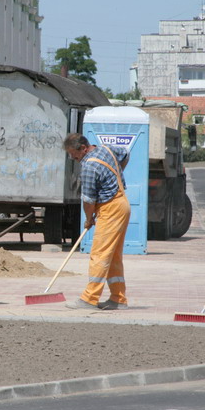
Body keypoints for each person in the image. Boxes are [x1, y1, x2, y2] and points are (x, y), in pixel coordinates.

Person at [63, 133, 130, 310]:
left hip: (110, 209)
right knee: (113, 255)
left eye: (73, 154)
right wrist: (116, 176)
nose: (73, 158)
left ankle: (89, 298)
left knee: (99, 254)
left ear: (83, 149)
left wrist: (88, 219)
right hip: (122, 204)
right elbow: (125, 154)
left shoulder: (89, 166)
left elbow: (88, 200)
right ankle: (118, 298)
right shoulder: (106, 149)